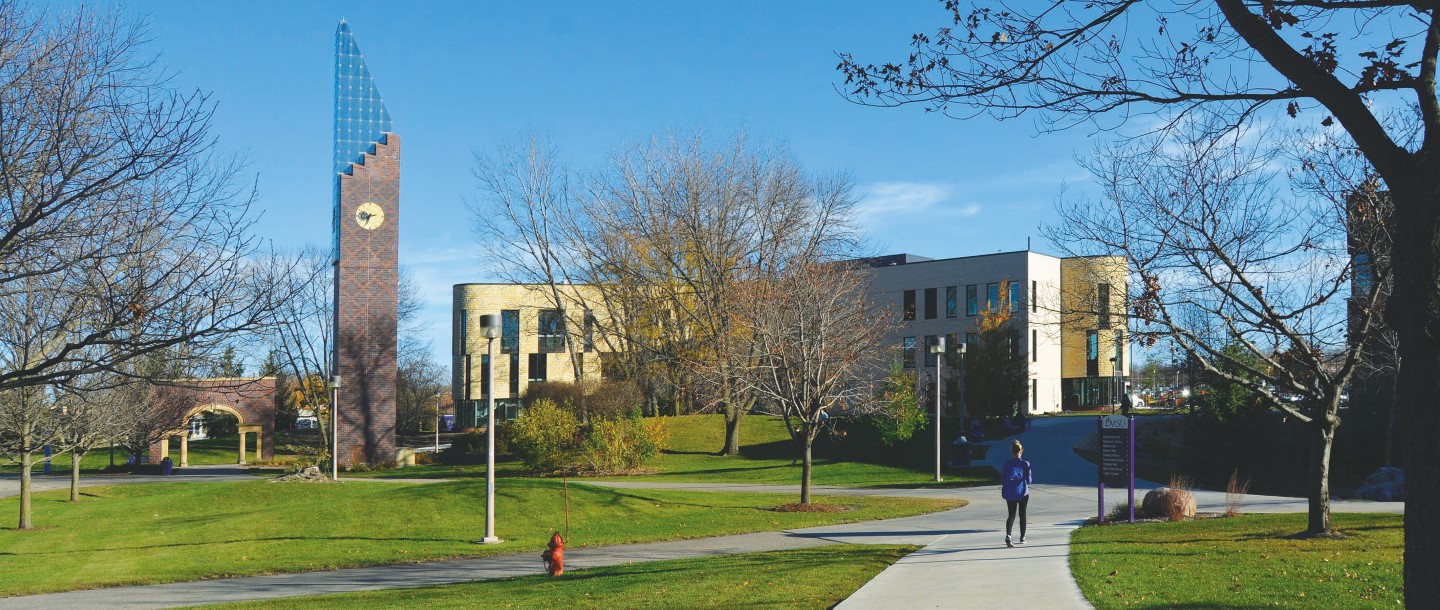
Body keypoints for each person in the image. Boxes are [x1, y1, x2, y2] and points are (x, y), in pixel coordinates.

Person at [1001, 439, 1032, 547]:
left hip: (1010, 493)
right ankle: (1022, 537)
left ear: (1012, 451)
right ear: (1021, 451)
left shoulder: (1007, 464)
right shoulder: (1025, 464)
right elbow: (1029, 481)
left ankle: (1008, 535)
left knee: (1011, 514)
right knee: (1022, 514)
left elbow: (1002, 479)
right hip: (1023, 492)